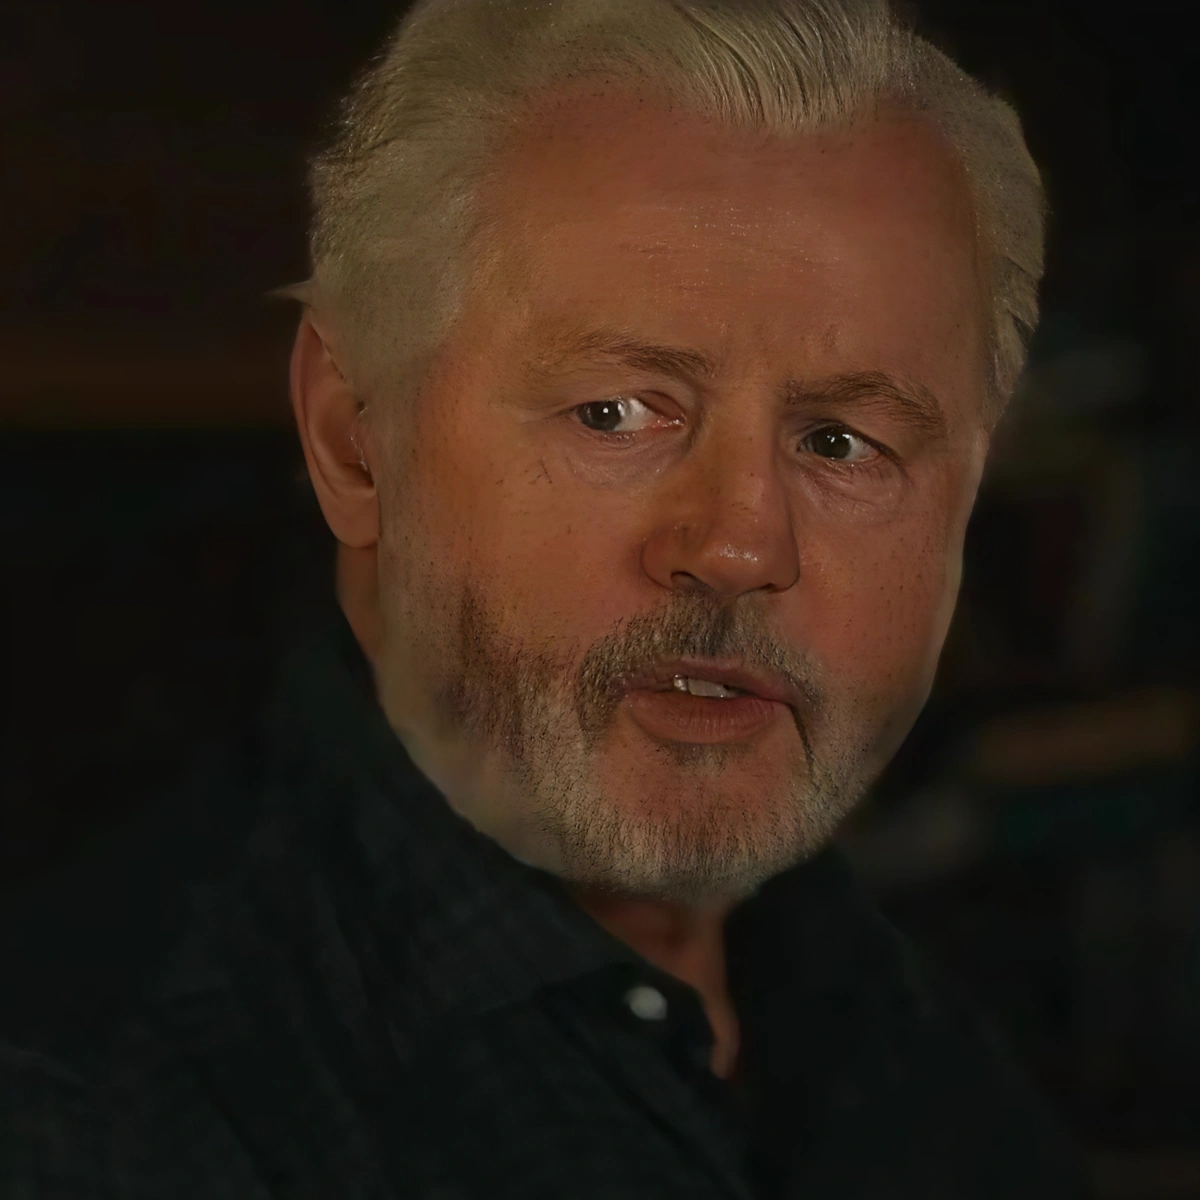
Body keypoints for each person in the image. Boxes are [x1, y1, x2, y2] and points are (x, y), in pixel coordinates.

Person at [1, 0, 1093, 1195]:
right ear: (355, 437)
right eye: (615, 413)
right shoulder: (96, 1113)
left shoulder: (898, 997)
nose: (742, 546)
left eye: (839, 441)